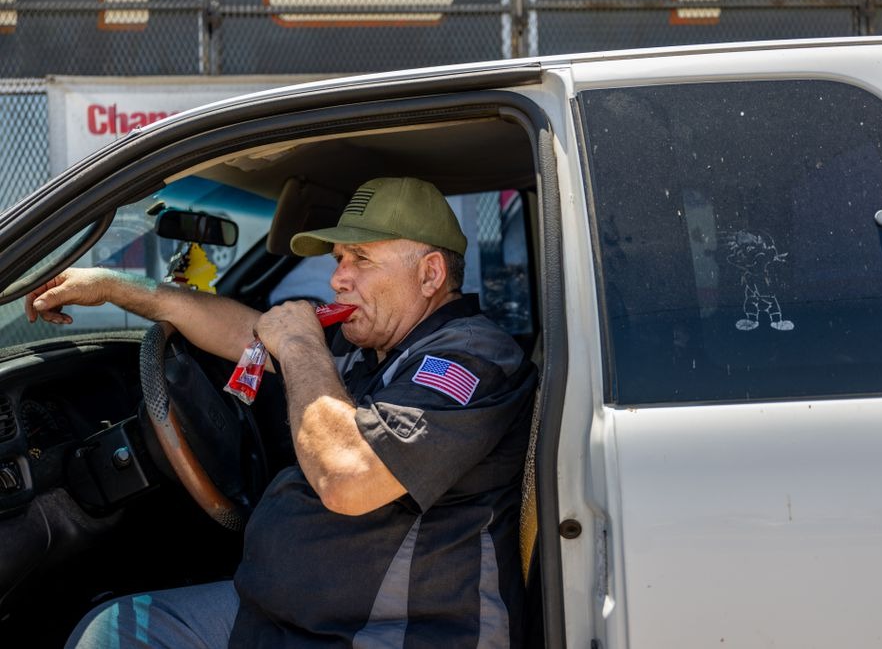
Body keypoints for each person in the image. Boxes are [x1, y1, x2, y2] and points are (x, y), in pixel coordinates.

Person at [27, 177, 538, 648]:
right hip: (291, 618)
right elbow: (246, 332)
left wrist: (299, 347)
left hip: (381, 634)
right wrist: (116, 286)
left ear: (430, 274)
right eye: (339, 259)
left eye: (360, 258)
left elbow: (348, 478)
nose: (338, 279)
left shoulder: (467, 360)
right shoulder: (379, 343)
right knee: (118, 627)